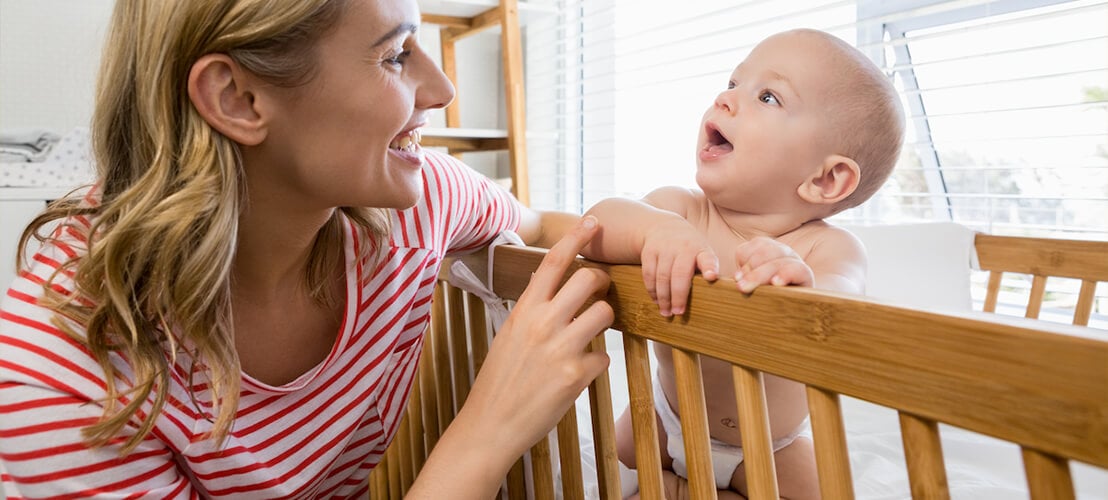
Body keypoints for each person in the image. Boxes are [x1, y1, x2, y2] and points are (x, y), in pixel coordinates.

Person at [0, 0, 614, 497]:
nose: (444, 89)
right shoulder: (66, 371)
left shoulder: (420, 201)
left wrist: (649, 218)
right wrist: (486, 436)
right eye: (397, 55)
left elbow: (547, 228)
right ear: (238, 99)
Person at [580, 29, 905, 499]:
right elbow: (594, 226)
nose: (725, 98)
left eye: (768, 96)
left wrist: (803, 287)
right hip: (660, 421)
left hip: (768, 448)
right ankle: (668, 484)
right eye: (733, 82)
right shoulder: (679, 211)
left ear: (828, 178)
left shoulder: (828, 249)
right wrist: (653, 230)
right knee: (598, 480)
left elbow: (841, 307)